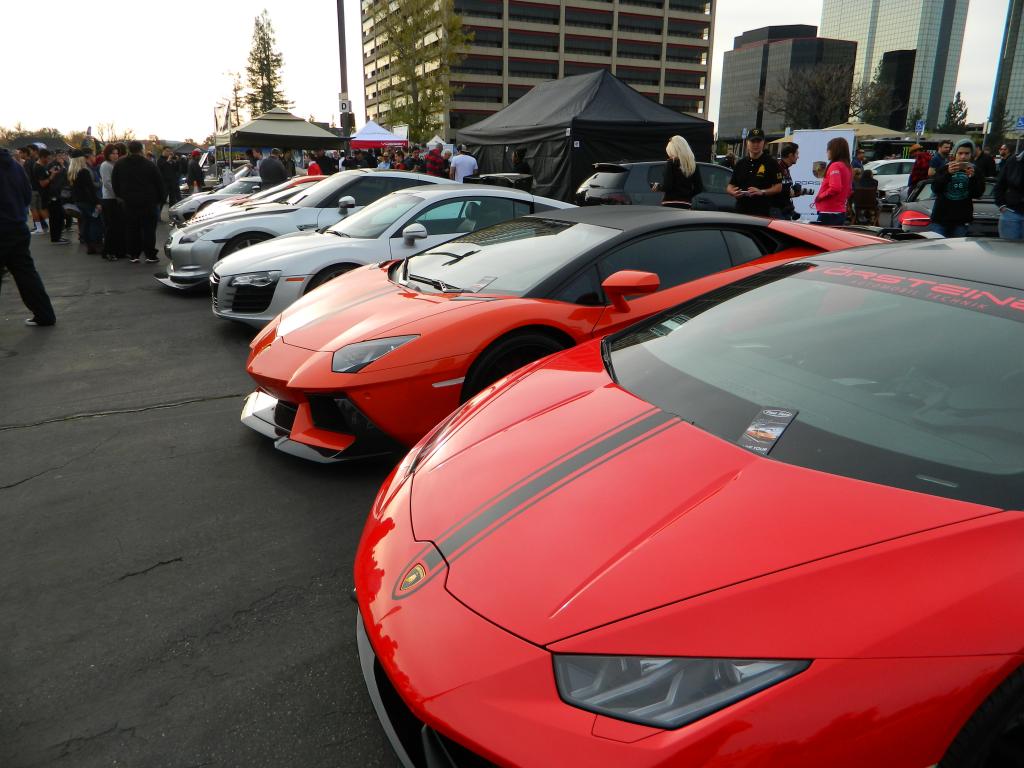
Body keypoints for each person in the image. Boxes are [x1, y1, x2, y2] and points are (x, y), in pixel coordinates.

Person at [0, 147, 56, 326]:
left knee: (25, 272)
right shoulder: (15, 166)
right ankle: (44, 313)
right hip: (16, 226)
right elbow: (26, 195)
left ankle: (44, 314)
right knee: (26, 273)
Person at [112, 140, 164, 264]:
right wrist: (160, 199)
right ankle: (150, 254)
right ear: (141, 150)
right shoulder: (149, 164)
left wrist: (121, 196)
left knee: (131, 229)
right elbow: (159, 183)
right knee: (148, 230)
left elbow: (115, 182)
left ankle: (134, 254)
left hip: (129, 202)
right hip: (148, 201)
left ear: (129, 150)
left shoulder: (120, 164)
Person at [928, 139, 986, 238]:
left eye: (967, 153)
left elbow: (978, 193)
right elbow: (935, 189)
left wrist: (972, 178)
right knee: (937, 249)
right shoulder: (945, 168)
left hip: (961, 220)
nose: (963, 156)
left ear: (971, 154)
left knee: (957, 250)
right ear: (955, 154)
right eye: (960, 153)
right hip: (941, 218)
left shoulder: (975, 170)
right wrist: (948, 174)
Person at [726, 128, 782, 216]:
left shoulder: (771, 162)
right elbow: (730, 186)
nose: (756, 144)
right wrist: (733, 192)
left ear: (763, 143)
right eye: (753, 141)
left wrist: (762, 192)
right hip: (740, 211)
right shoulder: (740, 163)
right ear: (747, 143)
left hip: (762, 212)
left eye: (758, 141)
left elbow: (778, 187)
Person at [812, 136, 853, 226]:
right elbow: (849, 190)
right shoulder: (847, 167)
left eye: (828, 149)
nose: (827, 152)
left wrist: (820, 196)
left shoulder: (835, 165)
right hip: (839, 211)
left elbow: (835, 188)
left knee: (820, 239)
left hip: (829, 212)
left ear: (834, 150)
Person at [69, 150, 103, 254]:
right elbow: (89, 189)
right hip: (88, 201)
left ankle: (89, 245)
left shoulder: (72, 172)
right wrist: (97, 202)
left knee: (86, 223)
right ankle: (95, 244)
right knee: (95, 222)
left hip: (79, 201)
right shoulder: (84, 171)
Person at [654, 134, 702, 207]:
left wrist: (658, 187)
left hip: (670, 203)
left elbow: (667, 186)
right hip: (686, 203)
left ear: (673, 150)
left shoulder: (671, 163)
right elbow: (699, 188)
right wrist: (687, 195)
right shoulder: (693, 165)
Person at [34, 149, 70, 244]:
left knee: (58, 216)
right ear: (42, 157)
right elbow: (43, 183)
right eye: (47, 158)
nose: (49, 160)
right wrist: (52, 176)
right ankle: (56, 238)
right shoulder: (39, 168)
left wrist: (50, 173)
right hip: (49, 196)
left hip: (52, 194)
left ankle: (57, 237)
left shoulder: (42, 166)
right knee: (56, 217)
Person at [99, 144, 123, 261]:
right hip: (109, 199)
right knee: (111, 227)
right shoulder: (105, 165)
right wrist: (117, 195)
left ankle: (117, 250)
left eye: (116, 153)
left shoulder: (116, 165)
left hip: (116, 198)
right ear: (107, 154)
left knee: (117, 226)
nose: (115, 155)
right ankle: (108, 251)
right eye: (113, 153)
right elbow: (107, 183)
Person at [995, 145, 1024, 241]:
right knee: (1008, 250)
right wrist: (1001, 205)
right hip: (1011, 212)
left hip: (1011, 212)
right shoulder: (1014, 160)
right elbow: (1000, 184)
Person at [769, 142, 800, 220]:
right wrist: (790, 191)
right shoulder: (777, 167)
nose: (798, 157)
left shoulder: (785, 168)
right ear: (790, 155)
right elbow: (773, 189)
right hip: (776, 211)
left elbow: (785, 191)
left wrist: (797, 192)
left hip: (784, 211)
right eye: (796, 154)